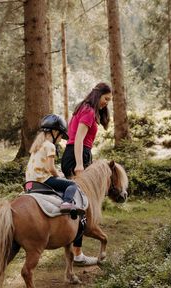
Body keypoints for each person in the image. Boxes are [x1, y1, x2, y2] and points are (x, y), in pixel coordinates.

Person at [61, 82, 112, 266]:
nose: (107, 103)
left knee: (78, 205)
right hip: (76, 156)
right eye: (106, 99)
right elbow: (79, 139)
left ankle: (73, 249)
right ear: (98, 95)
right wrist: (81, 164)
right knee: (81, 206)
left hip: (76, 153)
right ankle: (77, 254)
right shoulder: (89, 111)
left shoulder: (84, 109)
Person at [26, 114, 78, 212]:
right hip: (42, 180)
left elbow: (43, 166)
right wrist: (59, 175)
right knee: (72, 185)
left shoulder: (37, 146)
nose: (60, 139)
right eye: (61, 135)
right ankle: (67, 203)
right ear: (55, 132)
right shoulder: (50, 146)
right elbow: (51, 168)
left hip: (29, 181)